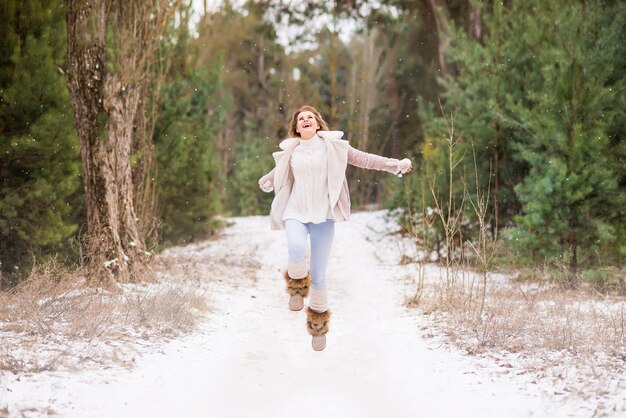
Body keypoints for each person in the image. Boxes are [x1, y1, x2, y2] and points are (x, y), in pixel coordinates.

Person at [258, 105, 412, 351]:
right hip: (296, 212)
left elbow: (366, 159)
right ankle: (296, 288)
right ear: (296, 129)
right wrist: (267, 179)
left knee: (319, 274)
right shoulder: (292, 150)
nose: (306, 120)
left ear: (318, 124)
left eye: (310, 117)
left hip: (323, 216)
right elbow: (280, 170)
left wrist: (396, 165)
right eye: (301, 119)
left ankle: (317, 327)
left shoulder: (335, 147)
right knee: (296, 250)